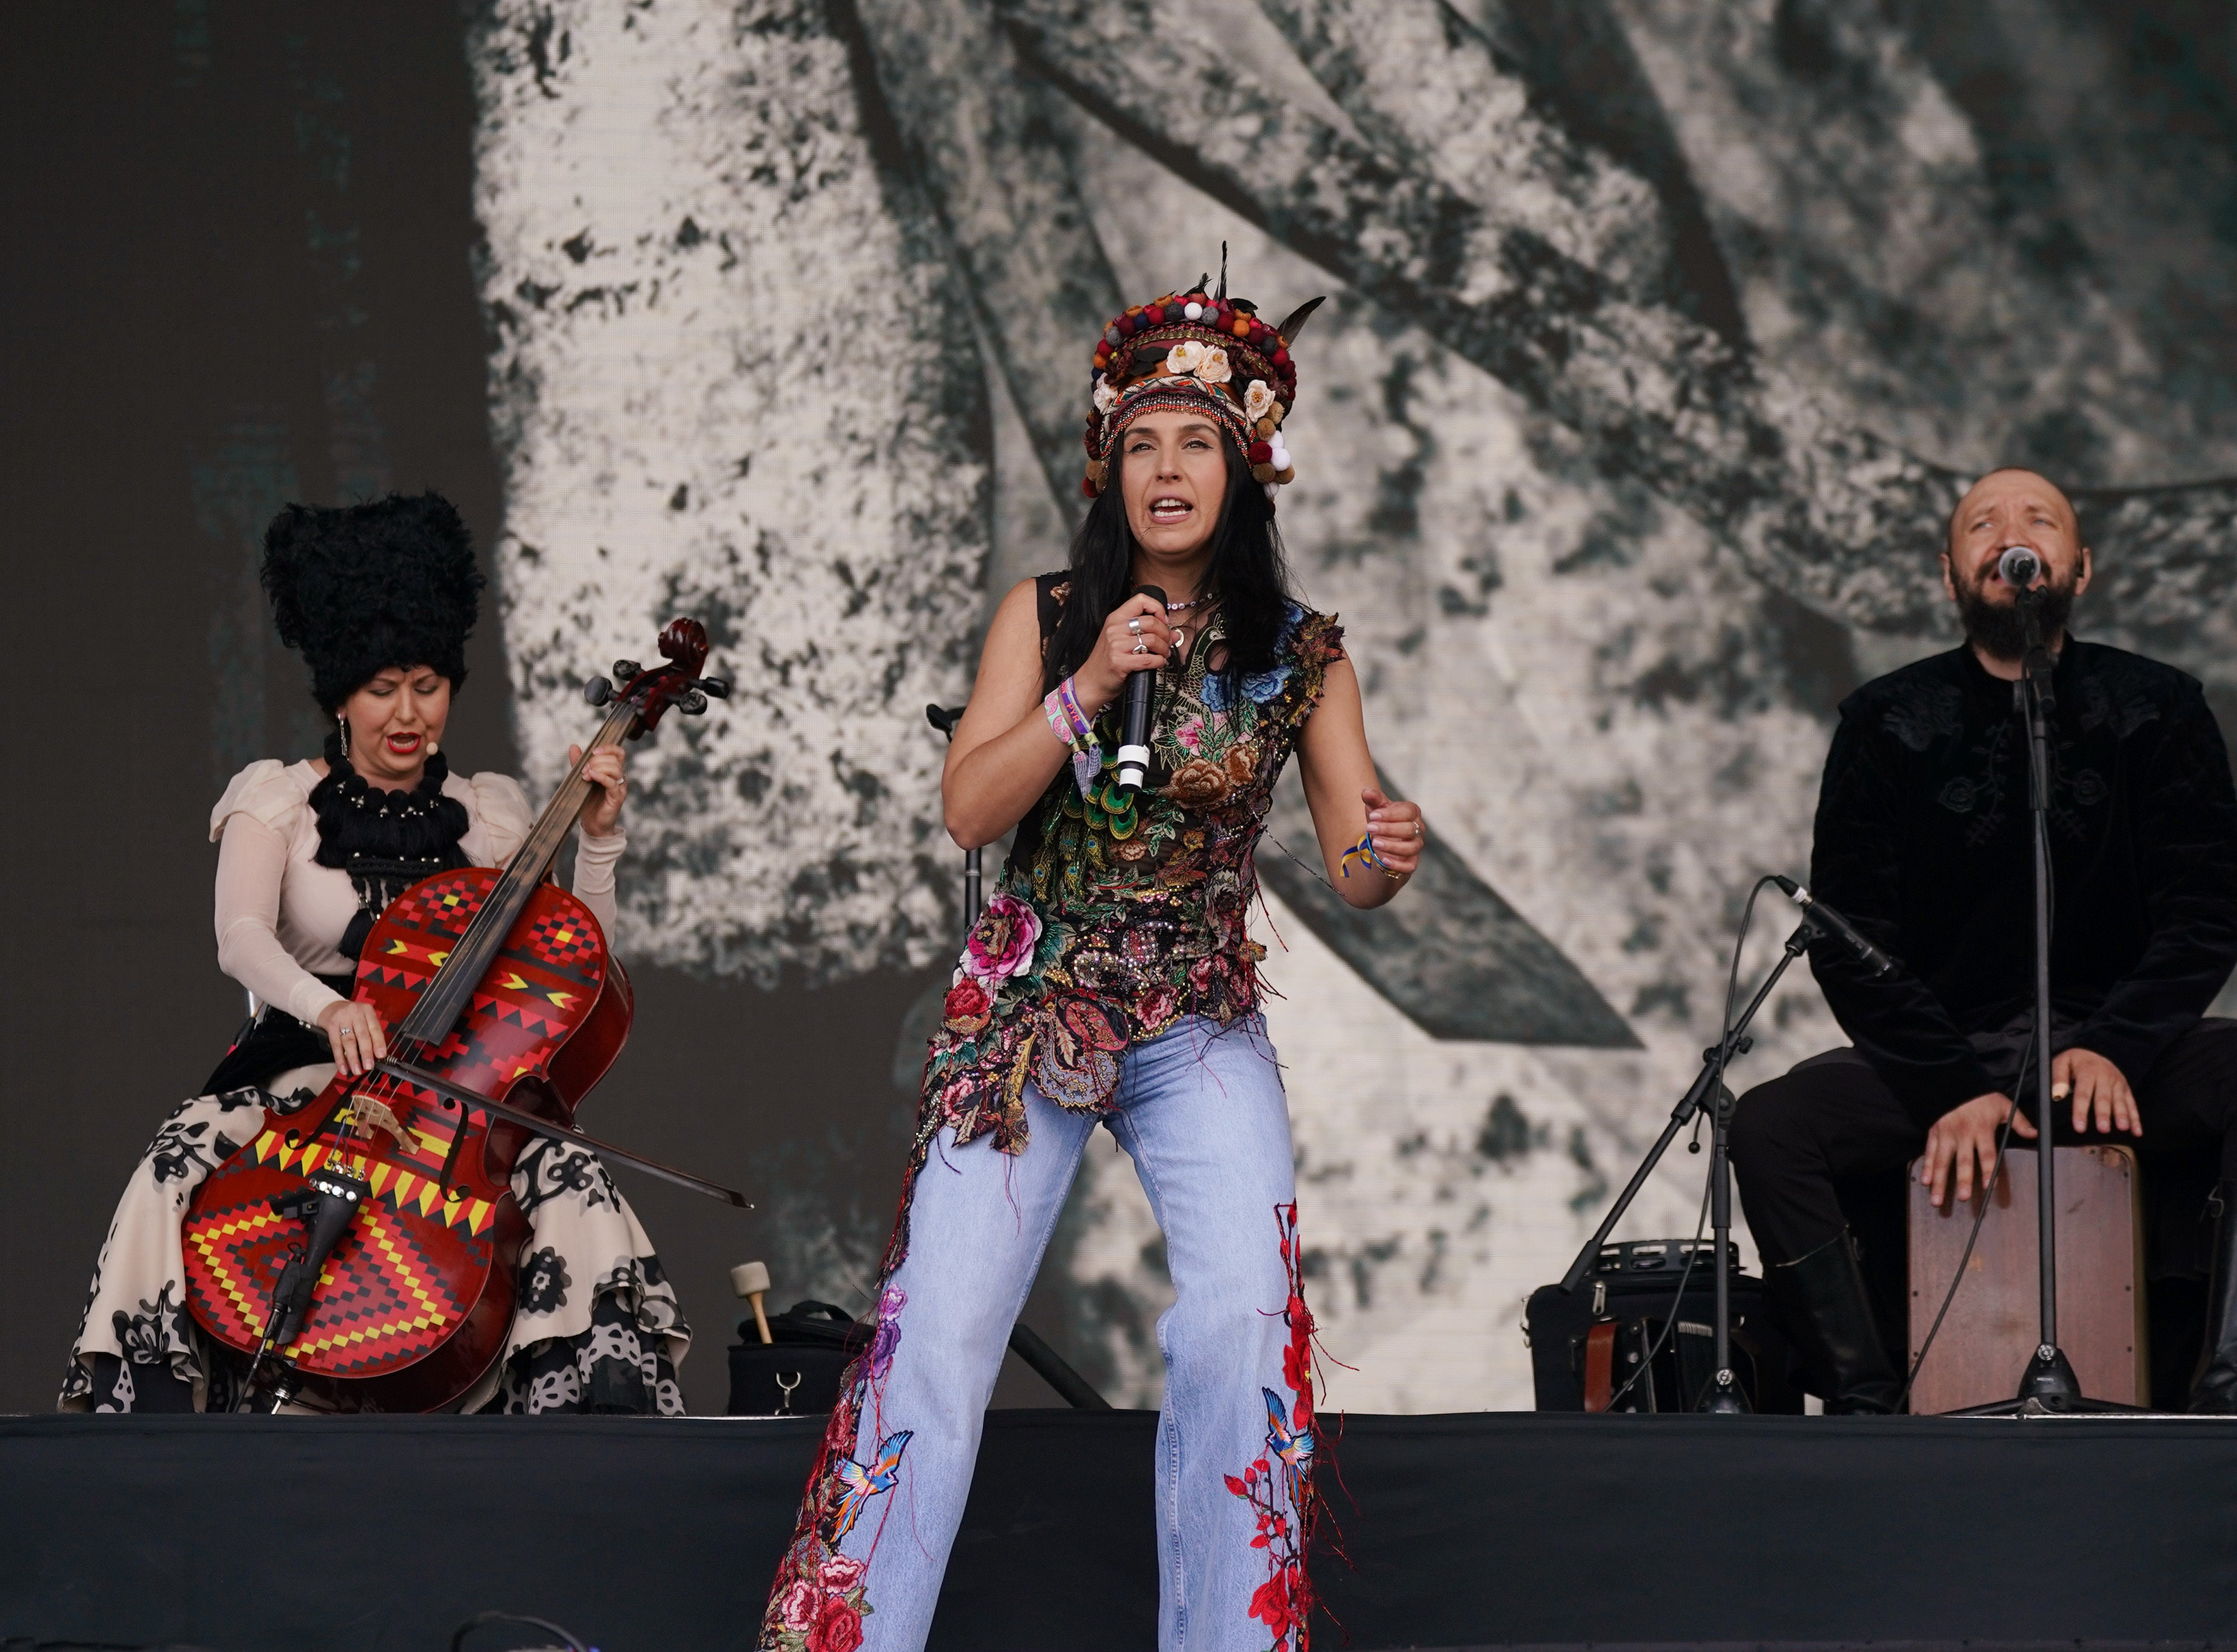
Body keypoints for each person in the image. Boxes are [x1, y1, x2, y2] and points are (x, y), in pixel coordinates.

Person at [759, 278, 1425, 1652]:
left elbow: (1355, 867)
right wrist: (1085, 686)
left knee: (1246, 1322)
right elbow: (969, 810)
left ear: (1243, 472)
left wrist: (1388, 857)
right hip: (1029, 1015)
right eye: (1142, 445)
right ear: (1107, 468)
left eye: (1195, 445)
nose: (1167, 470)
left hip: (1196, 1023)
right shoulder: (1053, 613)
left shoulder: (1302, 657)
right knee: (938, 1333)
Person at [61, 492, 689, 1415]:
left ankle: (586, 1421)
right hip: (306, 1078)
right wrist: (328, 1008)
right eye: (381, 687)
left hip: (448, 1107)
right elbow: (239, 938)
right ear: (341, 694)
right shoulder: (273, 800)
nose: (408, 714)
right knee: (176, 1157)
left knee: (573, 1175)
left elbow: (574, 968)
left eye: (428, 685)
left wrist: (597, 837)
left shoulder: (495, 812)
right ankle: (153, 1414)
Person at [1730, 466, 2237, 1414]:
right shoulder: (1884, 722)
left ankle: (2232, 1391)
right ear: (1950, 571)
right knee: (1769, 1125)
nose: (2011, 533)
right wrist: (1946, 1083)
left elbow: (2205, 915)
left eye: (2038, 519)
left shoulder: (2157, 706)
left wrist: (2114, 1045)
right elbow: (1847, 937)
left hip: (2118, 1056)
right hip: (1948, 1056)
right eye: (1982, 524)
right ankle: (1865, 1403)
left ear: (2077, 570)